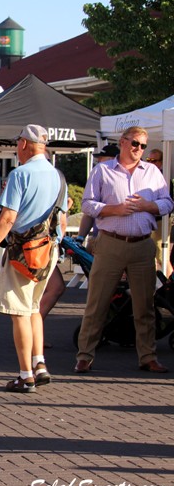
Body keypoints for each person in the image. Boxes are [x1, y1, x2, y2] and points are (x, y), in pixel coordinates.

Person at [0, 125, 66, 393]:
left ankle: (26, 375)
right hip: (48, 249)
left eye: (17, 144)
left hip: (22, 252)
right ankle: (40, 364)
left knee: (19, 312)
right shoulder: (58, 175)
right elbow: (61, 219)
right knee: (34, 307)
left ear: (24, 143)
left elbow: (8, 218)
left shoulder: (20, 174)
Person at [75, 126, 174, 374]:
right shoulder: (102, 171)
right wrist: (113, 210)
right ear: (122, 142)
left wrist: (149, 205)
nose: (139, 149)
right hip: (110, 243)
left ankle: (148, 357)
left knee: (145, 306)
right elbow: (87, 204)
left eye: (143, 145)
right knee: (97, 303)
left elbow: (167, 203)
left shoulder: (152, 172)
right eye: (135, 144)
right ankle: (85, 355)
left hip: (142, 245)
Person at [145, 148, 174, 273]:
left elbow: (168, 203)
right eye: (148, 160)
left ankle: (170, 284)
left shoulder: (164, 178)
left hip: (161, 220)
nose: (150, 163)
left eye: (154, 160)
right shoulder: (147, 176)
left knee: (162, 254)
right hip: (150, 220)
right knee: (151, 254)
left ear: (161, 162)